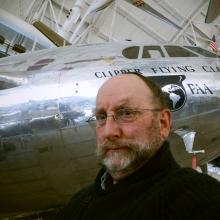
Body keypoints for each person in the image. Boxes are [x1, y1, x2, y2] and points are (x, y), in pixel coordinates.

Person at [56, 72, 220, 219]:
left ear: (163, 123)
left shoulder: (194, 197)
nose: (108, 131)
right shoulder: (79, 200)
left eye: (126, 113)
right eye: (101, 117)